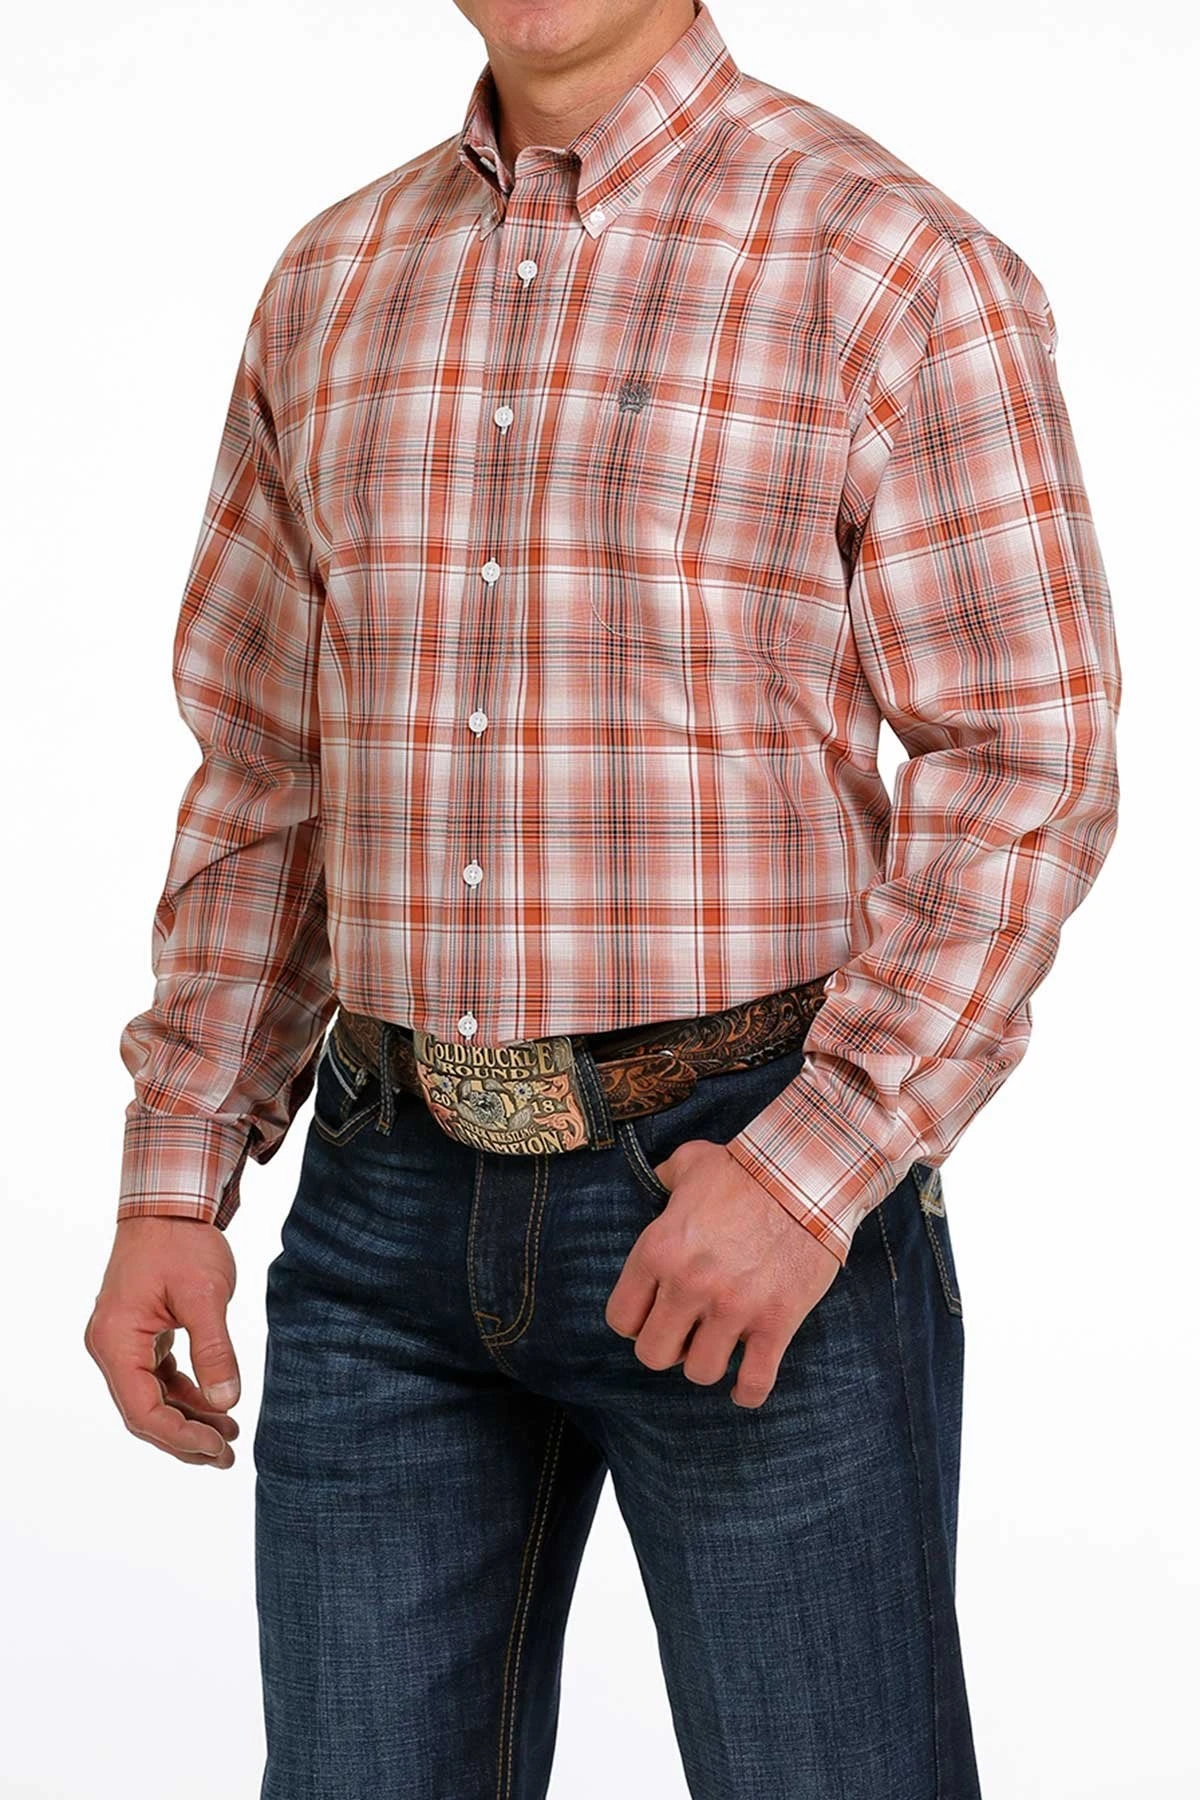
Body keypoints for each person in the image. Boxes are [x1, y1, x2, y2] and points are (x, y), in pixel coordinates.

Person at [84, 2, 1121, 1794]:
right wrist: (177, 1170)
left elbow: (1028, 758)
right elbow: (266, 763)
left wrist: (810, 1175)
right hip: (380, 1215)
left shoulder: (889, 260)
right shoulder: (330, 281)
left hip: (740, 1180)